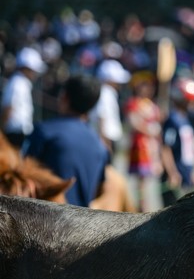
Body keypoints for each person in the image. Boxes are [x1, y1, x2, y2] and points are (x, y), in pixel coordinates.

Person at [24, 75, 109, 207]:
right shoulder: (99, 145)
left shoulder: (44, 132)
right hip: (82, 222)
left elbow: (23, 175)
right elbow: (100, 191)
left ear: (64, 97)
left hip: (44, 221)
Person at [160, 77, 194, 207]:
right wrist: (172, 173)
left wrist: (192, 172)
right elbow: (165, 148)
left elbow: (188, 148)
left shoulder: (186, 118)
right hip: (175, 173)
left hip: (186, 171)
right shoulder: (172, 120)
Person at [125, 71, 162, 212]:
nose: (148, 89)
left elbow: (158, 122)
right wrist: (149, 130)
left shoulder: (152, 105)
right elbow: (134, 123)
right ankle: (141, 204)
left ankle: (143, 203)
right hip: (140, 145)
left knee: (148, 179)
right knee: (141, 178)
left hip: (151, 145)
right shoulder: (134, 103)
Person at [1, 47, 47, 148]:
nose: (35, 73)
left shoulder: (21, 82)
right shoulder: (17, 83)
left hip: (20, 133)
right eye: (33, 70)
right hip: (15, 133)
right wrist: (2, 133)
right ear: (26, 68)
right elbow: (8, 107)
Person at [89, 59, 130, 160]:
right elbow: (101, 117)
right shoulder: (105, 93)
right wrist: (105, 143)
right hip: (104, 139)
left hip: (106, 138)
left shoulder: (108, 92)